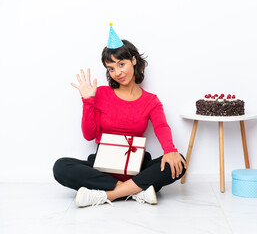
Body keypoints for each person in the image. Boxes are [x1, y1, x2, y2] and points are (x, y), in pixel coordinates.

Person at [53, 24, 186, 208]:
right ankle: (136, 191)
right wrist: (87, 100)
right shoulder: (100, 93)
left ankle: (107, 194)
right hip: (103, 167)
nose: (117, 73)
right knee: (61, 167)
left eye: (121, 64)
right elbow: (89, 135)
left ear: (133, 60)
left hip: (137, 167)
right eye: (111, 68)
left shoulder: (151, 101)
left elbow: (161, 127)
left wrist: (170, 150)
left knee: (178, 162)